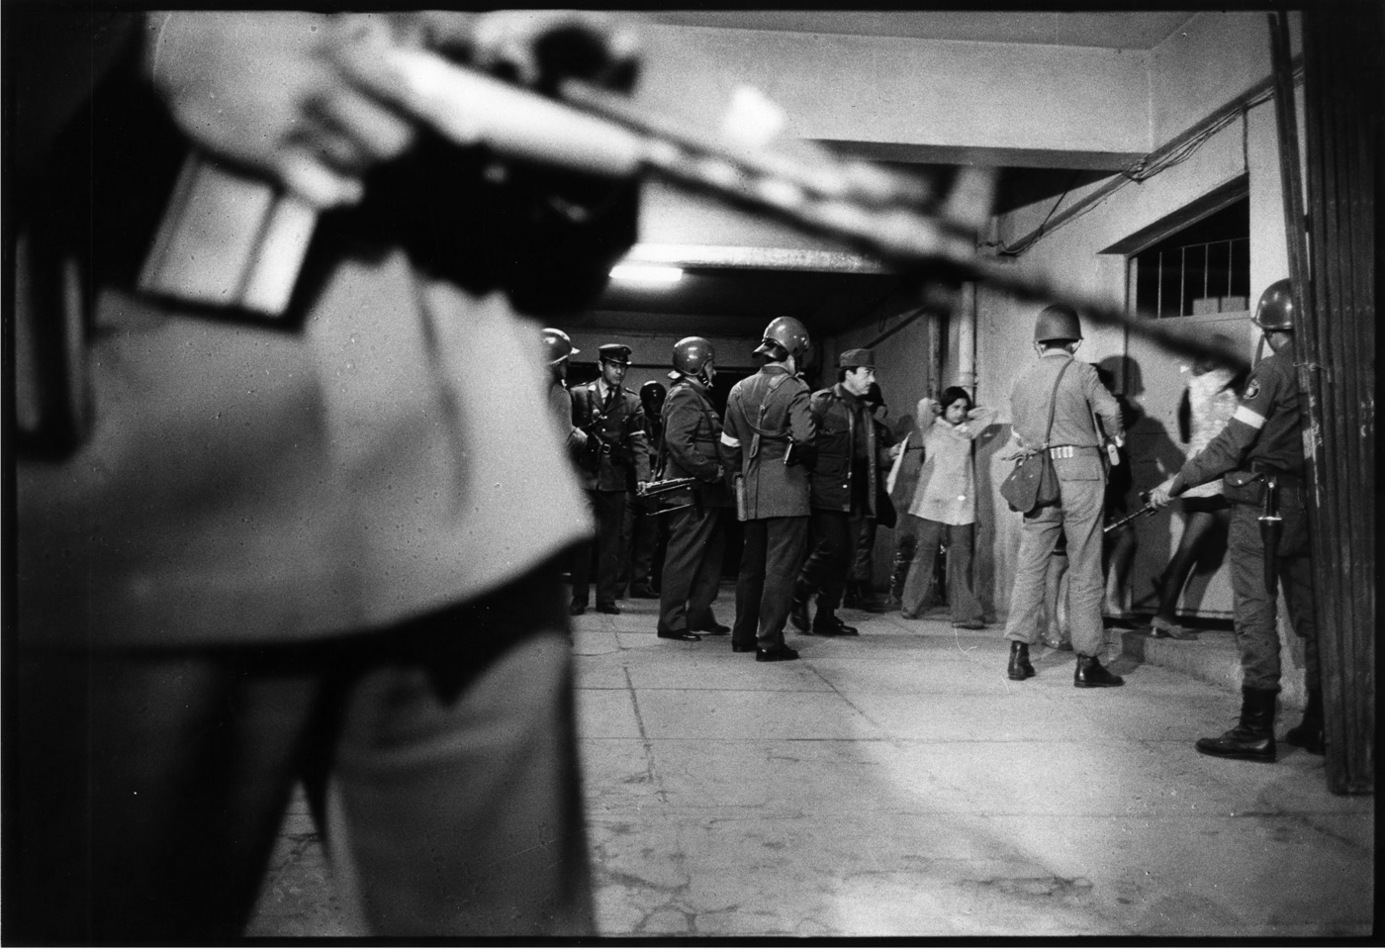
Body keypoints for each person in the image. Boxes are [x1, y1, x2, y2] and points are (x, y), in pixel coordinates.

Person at [9, 10, 640, 941]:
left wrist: (573, 124)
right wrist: (144, 45)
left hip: (474, 493)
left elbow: (567, 252)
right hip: (140, 478)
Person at [1149, 280, 1321, 761]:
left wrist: (1176, 482)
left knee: (1254, 612)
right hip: (1310, 507)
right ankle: (1321, 721)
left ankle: (1256, 728)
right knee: (1311, 616)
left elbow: (1232, 445)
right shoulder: (1322, 370)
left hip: (1262, 507)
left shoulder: (1270, 372)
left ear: (1269, 328)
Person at [1003, 304, 1127, 687]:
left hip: (1040, 475)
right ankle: (1087, 662)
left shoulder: (1021, 377)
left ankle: (1019, 655)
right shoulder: (1082, 372)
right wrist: (1112, 437)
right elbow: (1111, 409)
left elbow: (1020, 430)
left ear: (1039, 342)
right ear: (1074, 341)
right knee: (1085, 566)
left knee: (1031, 564)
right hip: (1081, 476)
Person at [720, 316, 816, 662]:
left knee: (751, 568)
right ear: (793, 352)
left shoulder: (738, 390)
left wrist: (740, 473)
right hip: (787, 492)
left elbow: (729, 445)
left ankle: (742, 636)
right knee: (781, 569)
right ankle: (769, 641)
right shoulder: (796, 389)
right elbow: (804, 438)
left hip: (751, 490)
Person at [792, 348, 895, 638]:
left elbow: (866, 454)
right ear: (849, 373)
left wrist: (887, 456)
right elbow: (801, 440)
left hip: (857, 494)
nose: (871, 379)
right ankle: (799, 593)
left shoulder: (863, 410)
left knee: (846, 555)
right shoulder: (822, 402)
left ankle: (826, 615)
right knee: (832, 549)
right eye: (867, 372)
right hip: (827, 491)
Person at [1147, 339, 1241, 639]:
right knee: (1248, 549)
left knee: (1188, 551)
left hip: (1196, 476)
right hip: (1223, 474)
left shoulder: (1191, 388)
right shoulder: (1234, 384)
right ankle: (1253, 623)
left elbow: (1187, 433)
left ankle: (1163, 615)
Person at [899, 386, 998, 629]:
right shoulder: (931, 428)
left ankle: (965, 614)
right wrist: (937, 407)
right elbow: (923, 406)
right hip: (932, 500)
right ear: (945, 407)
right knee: (925, 552)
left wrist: (970, 412)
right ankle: (910, 605)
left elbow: (991, 415)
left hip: (961, 502)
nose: (960, 412)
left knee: (962, 555)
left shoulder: (967, 431)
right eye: (956, 407)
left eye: (964, 407)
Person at [655, 338, 732, 641]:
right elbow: (678, 443)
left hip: (706, 494)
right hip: (692, 492)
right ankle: (671, 622)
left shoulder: (695, 395)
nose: (713, 372)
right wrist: (712, 471)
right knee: (684, 557)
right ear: (696, 367)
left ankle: (699, 613)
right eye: (710, 366)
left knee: (711, 556)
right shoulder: (685, 396)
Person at [569, 343, 652, 615]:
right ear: (600, 366)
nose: (619, 371)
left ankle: (605, 599)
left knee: (611, 544)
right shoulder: (578, 395)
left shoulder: (632, 401)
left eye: (623, 367)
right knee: (583, 541)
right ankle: (579, 597)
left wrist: (643, 476)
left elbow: (639, 442)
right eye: (614, 366)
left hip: (614, 481)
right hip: (584, 479)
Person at [842, 382, 897, 613]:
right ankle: (857, 590)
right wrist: (888, 454)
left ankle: (855, 590)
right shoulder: (868, 428)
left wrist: (889, 454)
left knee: (861, 543)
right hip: (858, 493)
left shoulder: (874, 428)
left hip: (863, 493)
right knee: (860, 543)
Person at [625, 380, 669, 599]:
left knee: (647, 539)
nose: (654, 405)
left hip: (653, 487)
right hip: (633, 485)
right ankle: (620, 582)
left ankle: (639, 583)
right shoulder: (634, 419)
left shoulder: (664, 424)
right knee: (625, 537)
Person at [543, 326, 589, 460]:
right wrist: (581, 438)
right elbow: (565, 442)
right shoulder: (559, 393)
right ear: (556, 364)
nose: (568, 364)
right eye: (565, 360)